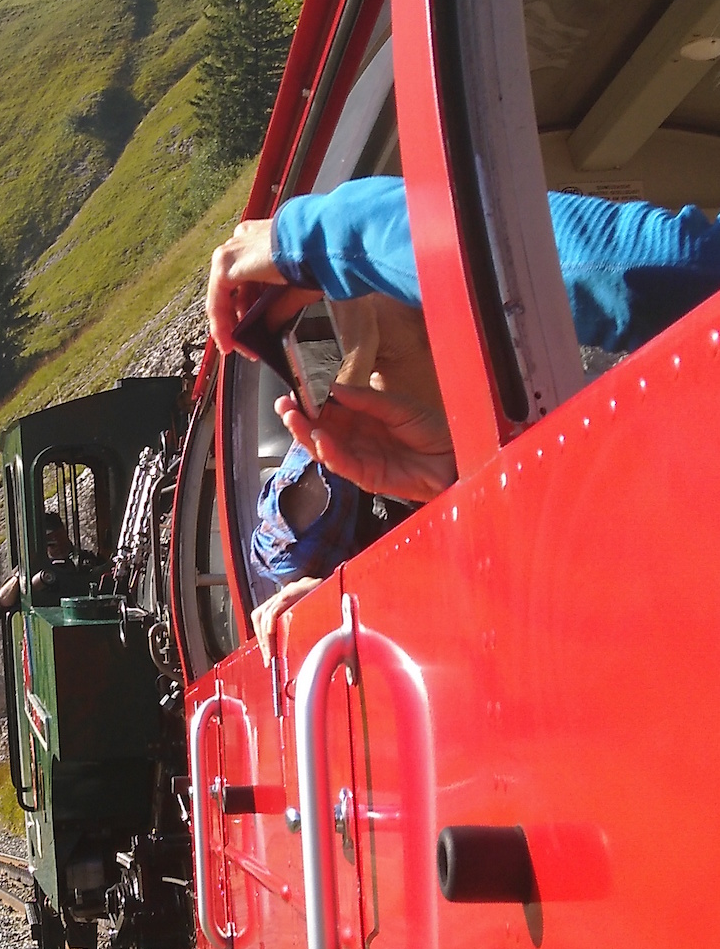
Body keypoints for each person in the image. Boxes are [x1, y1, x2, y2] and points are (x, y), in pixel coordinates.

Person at [208, 178, 720, 654]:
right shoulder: (558, 472)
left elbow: (682, 268)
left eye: (392, 355)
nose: (375, 379)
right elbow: (282, 552)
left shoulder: (596, 418)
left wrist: (329, 237)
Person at [0, 512, 76, 619]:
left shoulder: (85, 561)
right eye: (51, 541)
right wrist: (22, 575)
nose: (58, 544)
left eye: (60, 537)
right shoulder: (33, 567)